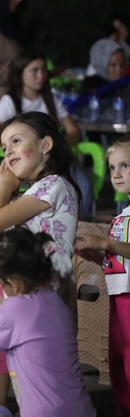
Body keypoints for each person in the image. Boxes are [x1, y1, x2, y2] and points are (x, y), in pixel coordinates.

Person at [0, 227, 96, 417]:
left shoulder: (14, 309)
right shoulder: (58, 304)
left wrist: (5, 302)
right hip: (81, 409)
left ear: (12, 283)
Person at [0, 112, 81, 311]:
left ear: (45, 145)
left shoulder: (54, 185)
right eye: (4, 148)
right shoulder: (23, 196)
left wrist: (3, 185)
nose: (8, 151)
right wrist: (6, 188)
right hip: (17, 295)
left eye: (16, 141)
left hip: (42, 297)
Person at [0, 47, 92, 215]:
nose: (41, 75)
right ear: (21, 73)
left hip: (54, 161)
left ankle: (76, 224)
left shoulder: (50, 99)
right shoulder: (10, 101)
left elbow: (74, 130)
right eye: (34, 71)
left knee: (83, 185)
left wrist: (54, 146)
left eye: (44, 70)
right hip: (26, 162)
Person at [76, 134, 130, 417]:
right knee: (117, 360)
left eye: (125, 166)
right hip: (118, 294)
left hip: (129, 298)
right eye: (112, 168)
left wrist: (106, 244)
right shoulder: (122, 215)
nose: (116, 174)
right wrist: (96, 255)